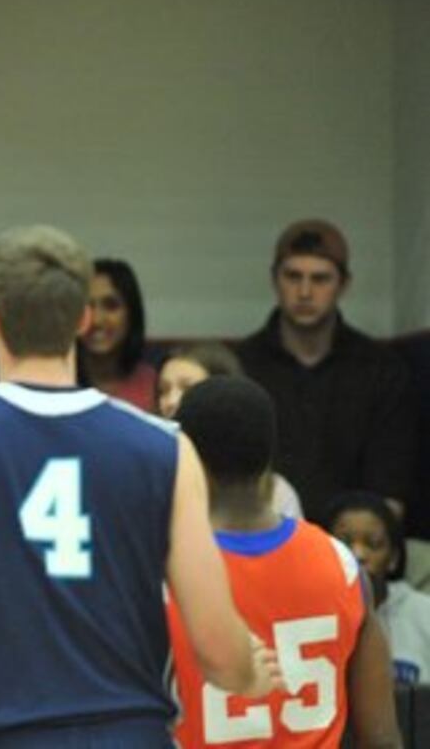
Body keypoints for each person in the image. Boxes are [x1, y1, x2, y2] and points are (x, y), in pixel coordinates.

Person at [0, 225, 279, 749]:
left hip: (1, 734)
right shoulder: (165, 447)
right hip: (132, 734)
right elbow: (216, 647)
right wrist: (247, 674)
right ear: (82, 319)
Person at [168, 378, 401, 749]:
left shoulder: (169, 570)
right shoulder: (341, 564)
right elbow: (382, 739)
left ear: (185, 452)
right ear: (269, 454)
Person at [236, 219, 417, 518]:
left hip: (352, 548)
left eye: (320, 279)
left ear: (343, 284)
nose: (305, 292)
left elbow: (391, 492)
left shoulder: (382, 371)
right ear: (274, 279)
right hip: (262, 541)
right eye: (293, 276)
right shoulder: (242, 367)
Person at [157, 342, 303, 517]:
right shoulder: (153, 481)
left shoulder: (277, 493)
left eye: (188, 388)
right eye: (163, 390)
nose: (170, 401)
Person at [327, 491, 430, 687]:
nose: (358, 554)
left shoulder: (424, 613)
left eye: (373, 544)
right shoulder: (310, 617)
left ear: (393, 559)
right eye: (344, 543)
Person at [79, 257, 157, 410]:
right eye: (87, 307)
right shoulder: (56, 384)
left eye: (111, 306)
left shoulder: (155, 386)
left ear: (132, 313)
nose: (96, 320)